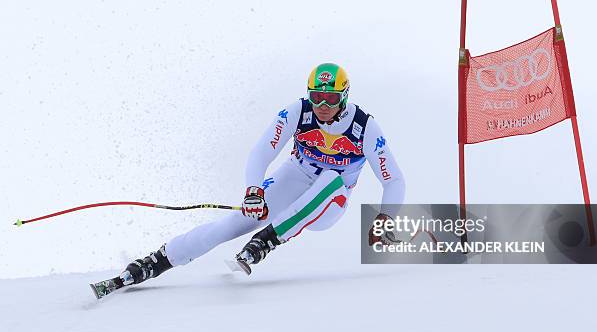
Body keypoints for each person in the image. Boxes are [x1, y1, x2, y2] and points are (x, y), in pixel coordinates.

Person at [119, 62, 405, 286]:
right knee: (234, 223)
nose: (323, 107)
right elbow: (261, 152)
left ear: (344, 96)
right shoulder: (298, 112)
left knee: (332, 179)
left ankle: (267, 240)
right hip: (297, 176)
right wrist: (254, 190)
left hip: (331, 201)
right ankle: (158, 260)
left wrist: (386, 217)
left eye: (331, 98)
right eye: (317, 97)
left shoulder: (364, 127)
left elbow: (393, 179)